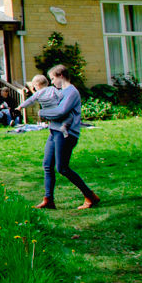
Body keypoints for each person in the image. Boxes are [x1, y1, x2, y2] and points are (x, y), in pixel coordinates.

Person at [32, 64, 100, 210]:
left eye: (52, 79)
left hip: (67, 134)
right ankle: (48, 200)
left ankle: (90, 196)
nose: (52, 82)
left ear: (61, 76)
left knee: (62, 168)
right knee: (47, 165)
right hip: (54, 131)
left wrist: (42, 113)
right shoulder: (61, 92)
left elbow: (61, 111)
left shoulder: (71, 92)